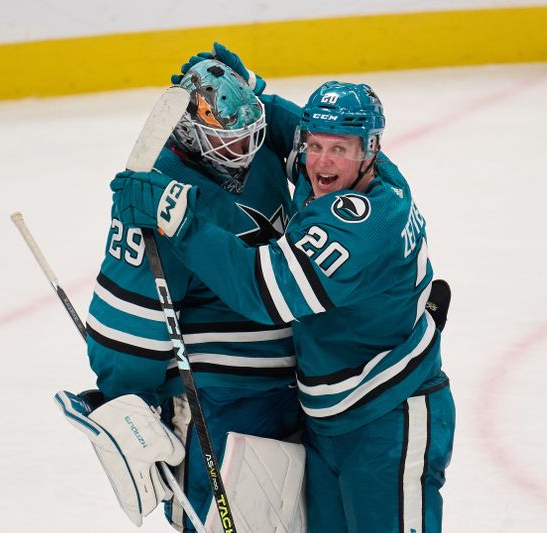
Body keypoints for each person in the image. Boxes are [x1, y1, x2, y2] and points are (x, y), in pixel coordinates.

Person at [112, 75, 456, 532]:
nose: (322, 161)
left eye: (340, 149)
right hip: (331, 423)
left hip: (387, 417)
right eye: (315, 146)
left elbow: (263, 291)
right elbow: (288, 127)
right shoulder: (368, 175)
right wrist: (248, 90)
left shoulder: (362, 223)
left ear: (369, 149)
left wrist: (180, 221)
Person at [56, 58, 307, 532]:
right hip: (219, 402)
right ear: (190, 135)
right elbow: (128, 323)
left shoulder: (266, 153)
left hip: (295, 388)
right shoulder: (155, 190)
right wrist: (130, 401)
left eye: (250, 135)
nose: (241, 150)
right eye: (225, 140)